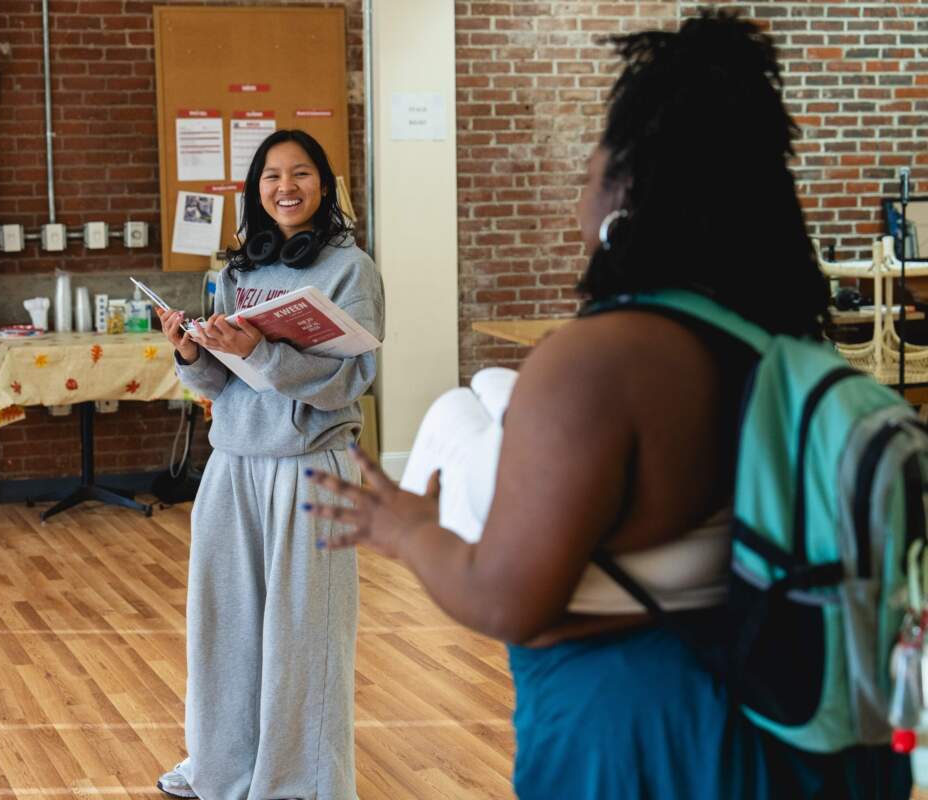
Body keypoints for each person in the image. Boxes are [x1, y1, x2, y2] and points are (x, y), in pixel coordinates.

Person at [304, 10, 912, 799]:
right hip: (793, 739)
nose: (577, 206)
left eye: (586, 176)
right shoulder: (776, 344)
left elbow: (511, 601)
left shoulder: (599, 361)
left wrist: (407, 527)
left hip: (640, 744)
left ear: (628, 185)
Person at [157, 129, 384, 800]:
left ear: (323, 185)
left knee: (305, 635)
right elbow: (221, 388)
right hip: (232, 463)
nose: (286, 186)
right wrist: (196, 356)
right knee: (223, 629)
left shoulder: (351, 270)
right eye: (270, 176)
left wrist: (261, 355)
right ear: (256, 190)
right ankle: (221, 770)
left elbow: (351, 379)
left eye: (301, 173)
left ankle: (299, 785)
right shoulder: (236, 273)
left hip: (312, 466)